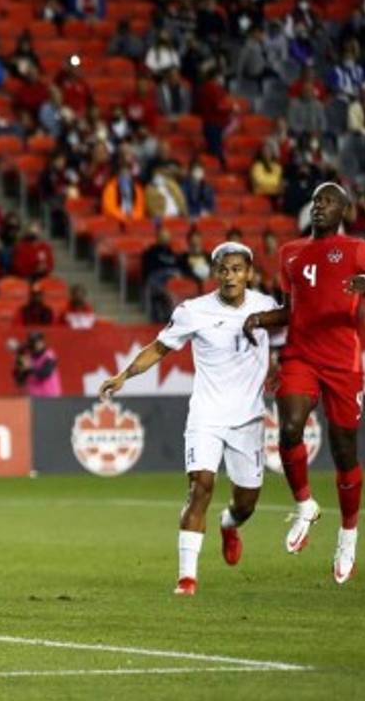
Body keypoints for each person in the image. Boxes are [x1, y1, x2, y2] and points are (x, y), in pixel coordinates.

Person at [243, 183, 365, 583]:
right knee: (289, 429)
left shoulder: (358, 251)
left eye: (328, 201)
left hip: (342, 364)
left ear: (344, 211)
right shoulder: (290, 253)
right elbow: (290, 310)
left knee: (344, 451)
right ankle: (305, 505)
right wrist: (261, 319)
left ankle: (348, 534)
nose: (320, 206)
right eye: (316, 200)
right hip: (300, 355)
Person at [101, 242, 279, 595]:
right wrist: (123, 375)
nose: (230, 276)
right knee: (200, 487)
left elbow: (291, 339)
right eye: (223, 269)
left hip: (248, 419)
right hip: (206, 415)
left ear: (249, 273)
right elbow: (159, 347)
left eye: (237, 269)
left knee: (246, 504)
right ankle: (187, 578)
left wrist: (281, 368)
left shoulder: (268, 307)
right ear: (214, 273)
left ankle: (229, 525)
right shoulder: (192, 311)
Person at [13, 332, 60, 396]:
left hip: (50, 397)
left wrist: (29, 369)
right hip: (33, 398)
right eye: (33, 343)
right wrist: (19, 360)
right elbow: (19, 380)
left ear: (42, 343)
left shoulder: (49, 355)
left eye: (37, 343)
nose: (35, 346)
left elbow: (45, 373)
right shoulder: (27, 357)